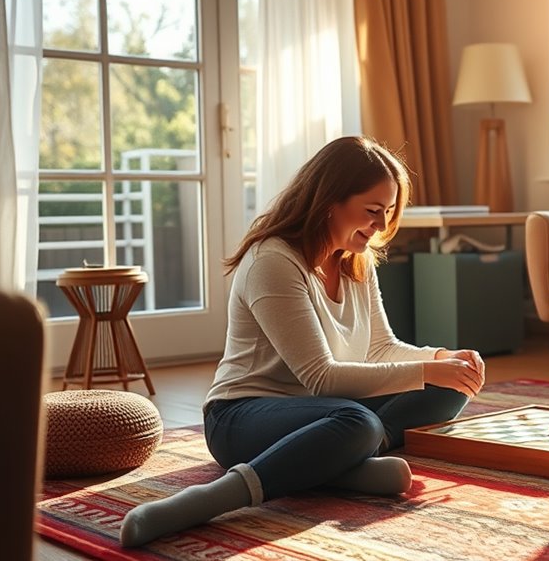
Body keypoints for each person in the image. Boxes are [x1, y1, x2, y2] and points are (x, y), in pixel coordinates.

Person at [120, 136, 485, 546]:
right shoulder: (272, 260)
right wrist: (426, 368)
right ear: (330, 200)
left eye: (387, 212)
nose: (381, 226)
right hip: (242, 417)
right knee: (357, 421)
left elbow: (380, 347)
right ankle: (216, 497)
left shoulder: (356, 261)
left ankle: (336, 458)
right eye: (372, 211)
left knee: (448, 388)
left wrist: (441, 359)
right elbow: (321, 379)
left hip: (324, 411)